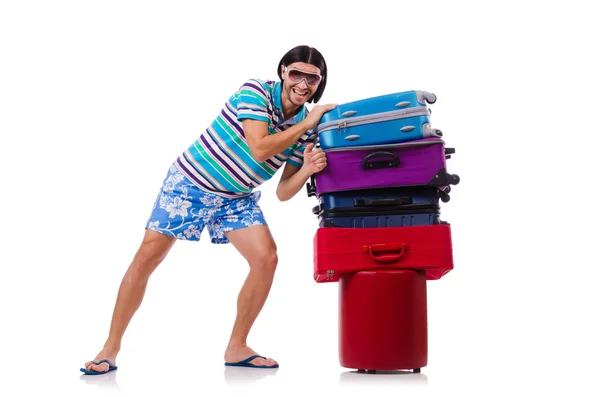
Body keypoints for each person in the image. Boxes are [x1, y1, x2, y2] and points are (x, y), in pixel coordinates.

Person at [81, 45, 336, 374]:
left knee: (266, 258)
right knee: (147, 259)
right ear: (283, 72)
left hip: (236, 196)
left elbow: (284, 192)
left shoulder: (307, 126)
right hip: (191, 183)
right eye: (296, 74)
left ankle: (237, 346)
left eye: (312, 78)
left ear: (320, 82)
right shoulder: (255, 92)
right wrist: (308, 123)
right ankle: (109, 349)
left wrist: (306, 170)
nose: (303, 84)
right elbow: (259, 149)